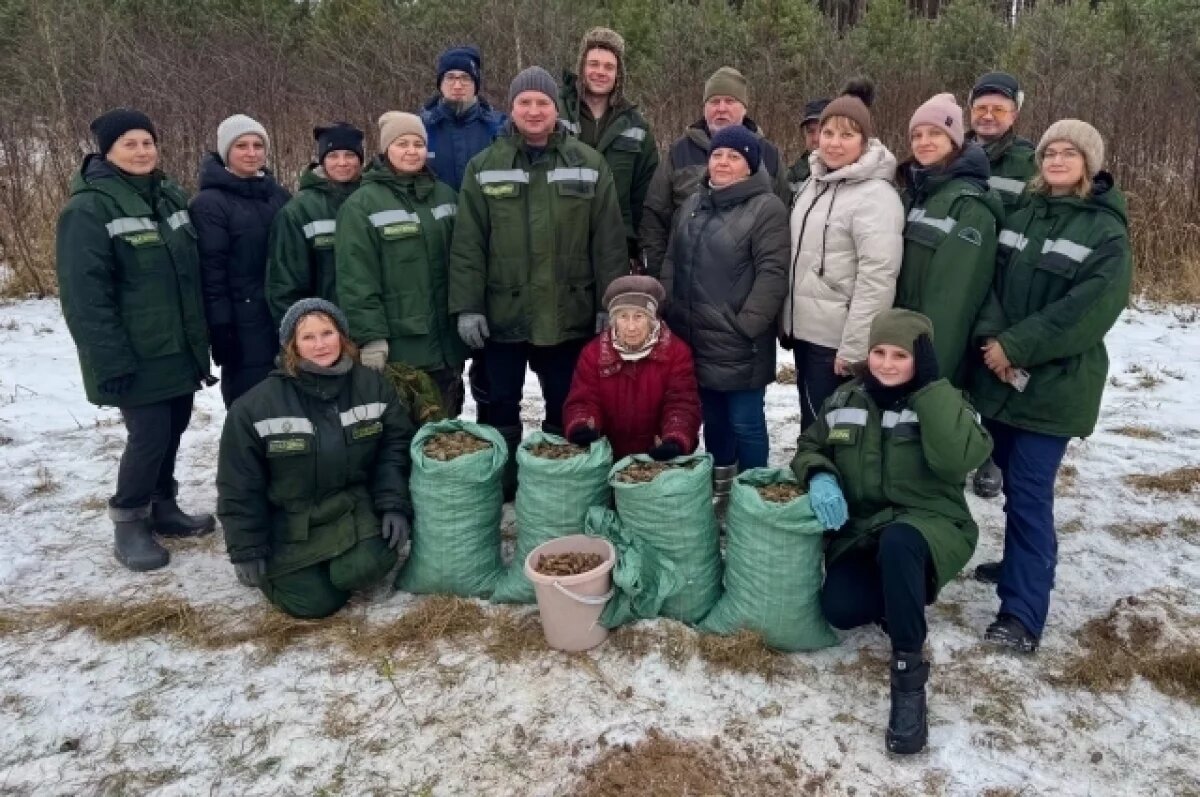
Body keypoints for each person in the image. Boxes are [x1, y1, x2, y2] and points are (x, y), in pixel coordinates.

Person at [792, 309, 992, 755]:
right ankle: (903, 591)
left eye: (900, 355)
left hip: (930, 521)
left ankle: (908, 676)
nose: (886, 363)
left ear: (920, 358)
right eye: (879, 352)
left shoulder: (944, 402)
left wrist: (930, 390)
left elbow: (959, 459)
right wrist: (819, 474)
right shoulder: (845, 400)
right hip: (863, 530)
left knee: (901, 543)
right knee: (840, 609)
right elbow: (808, 446)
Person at [969, 120, 1132, 652]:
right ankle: (1018, 564)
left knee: (1032, 494)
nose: (1057, 160)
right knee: (1015, 486)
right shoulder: (1024, 213)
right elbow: (989, 282)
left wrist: (1016, 346)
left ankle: (1021, 615)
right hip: (1001, 377)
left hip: (1054, 387)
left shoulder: (1105, 232)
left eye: (1069, 153)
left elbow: (1085, 312)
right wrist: (994, 338)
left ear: (1090, 163)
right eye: (1050, 152)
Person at [449, 66, 627, 493]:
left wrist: (611, 303)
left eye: (542, 102)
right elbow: (468, 244)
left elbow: (608, 241)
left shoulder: (587, 163)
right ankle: (503, 486)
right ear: (511, 109)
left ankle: (556, 487)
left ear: (556, 108)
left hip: (570, 312)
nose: (533, 110)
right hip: (503, 314)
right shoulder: (485, 167)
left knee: (566, 404)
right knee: (498, 406)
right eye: (524, 102)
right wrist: (467, 306)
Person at [56, 108, 215, 572]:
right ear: (107, 150)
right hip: (134, 352)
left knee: (176, 427)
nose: (142, 151)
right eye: (130, 143)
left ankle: (164, 504)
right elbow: (84, 296)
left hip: (177, 347)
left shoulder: (169, 196)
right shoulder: (88, 209)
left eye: (147, 142)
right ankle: (129, 518)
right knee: (148, 436)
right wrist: (109, 359)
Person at [217, 299, 415, 619]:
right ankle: (294, 574)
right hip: (289, 520)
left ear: (342, 336)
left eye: (328, 333)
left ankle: (341, 562)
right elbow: (239, 485)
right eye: (308, 337)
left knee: (363, 569)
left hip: (351, 507)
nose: (320, 344)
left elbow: (393, 451)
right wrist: (246, 549)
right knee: (314, 603)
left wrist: (394, 504)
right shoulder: (253, 408)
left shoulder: (372, 387)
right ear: (292, 345)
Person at [660, 126, 789, 509]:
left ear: (750, 165)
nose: (723, 162)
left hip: (739, 340)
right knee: (713, 420)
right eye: (718, 155)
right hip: (693, 336)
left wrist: (747, 323)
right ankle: (722, 487)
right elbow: (671, 259)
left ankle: (754, 496)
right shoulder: (695, 203)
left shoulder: (766, 208)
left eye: (734, 156)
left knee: (745, 421)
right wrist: (667, 308)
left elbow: (773, 273)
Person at [780, 79, 904, 430]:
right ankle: (816, 479)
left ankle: (831, 484)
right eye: (828, 133)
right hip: (807, 331)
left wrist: (855, 346)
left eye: (846, 135)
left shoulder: (876, 196)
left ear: (864, 142)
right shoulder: (813, 182)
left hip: (836, 338)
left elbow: (877, 278)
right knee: (814, 422)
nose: (834, 143)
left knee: (833, 429)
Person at [336, 112, 466, 418]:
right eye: (402, 143)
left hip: (446, 344)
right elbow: (356, 279)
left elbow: (465, 260)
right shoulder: (361, 205)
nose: (411, 151)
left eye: (418, 143)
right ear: (385, 151)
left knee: (444, 431)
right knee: (401, 434)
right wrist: (370, 337)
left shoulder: (445, 195)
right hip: (401, 346)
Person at [419, 45, 507, 426]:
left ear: (477, 84)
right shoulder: (420, 129)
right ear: (440, 83)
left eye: (465, 78)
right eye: (450, 78)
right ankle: (445, 430)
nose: (457, 85)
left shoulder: (497, 128)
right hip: (433, 253)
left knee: (488, 358)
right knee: (443, 363)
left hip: (489, 252)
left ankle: (490, 429)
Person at [895, 93, 1003, 388]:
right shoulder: (915, 193)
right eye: (916, 135)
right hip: (899, 350)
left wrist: (931, 374)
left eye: (935, 133)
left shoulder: (970, 207)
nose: (923, 142)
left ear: (954, 141)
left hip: (929, 357)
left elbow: (953, 303)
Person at [640, 66, 791, 276]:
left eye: (730, 101)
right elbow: (655, 217)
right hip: (684, 283)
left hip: (744, 289)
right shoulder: (679, 152)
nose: (721, 108)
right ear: (704, 107)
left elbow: (782, 226)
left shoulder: (769, 155)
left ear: (744, 108)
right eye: (714, 101)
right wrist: (658, 276)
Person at [965, 71, 1037, 501]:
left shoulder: (1028, 163)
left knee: (995, 373)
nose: (988, 116)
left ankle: (990, 455)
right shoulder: (956, 153)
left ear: (1015, 113)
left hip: (1004, 283)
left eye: (998, 109)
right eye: (981, 108)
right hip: (963, 278)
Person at [191, 113, 290, 408]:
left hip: (281, 318)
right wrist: (221, 328)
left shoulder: (279, 195)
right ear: (226, 152)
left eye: (258, 145)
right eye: (241, 146)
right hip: (241, 326)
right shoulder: (209, 204)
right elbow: (211, 273)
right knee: (251, 410)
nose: (251, 153)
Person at [563, 275, 701, 460]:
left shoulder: (676, 352)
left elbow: (681, 403)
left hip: (658, 456)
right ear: (614, 320)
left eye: (639, 316)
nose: (631, 327)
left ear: (652, 319)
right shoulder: (594, 353)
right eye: (623, 317)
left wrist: (674, 439)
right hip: (607, 455)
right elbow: (584, 400)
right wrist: (582, 425)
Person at [559, 27, 660, 272]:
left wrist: (638, 250)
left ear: (618, 74)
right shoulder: (555, 113)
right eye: (594, 64)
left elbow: (644, 197)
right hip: (561, 242)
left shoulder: (637, 127)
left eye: (609, 67)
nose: (600, 72)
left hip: (616, 246)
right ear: (582, 67)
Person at [266, 122, 364, 325]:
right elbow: (285, 284)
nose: (342, 163)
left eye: (350, 155)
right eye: (333, 156)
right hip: (326, 330)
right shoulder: (298, 210)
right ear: (322, 161)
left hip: (373, 326)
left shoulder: (373, 199)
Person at [786, 97, 829, 197]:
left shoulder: (850, 174)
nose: (816, 138)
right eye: (811, 131)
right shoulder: (793, 176)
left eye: (824, 131)